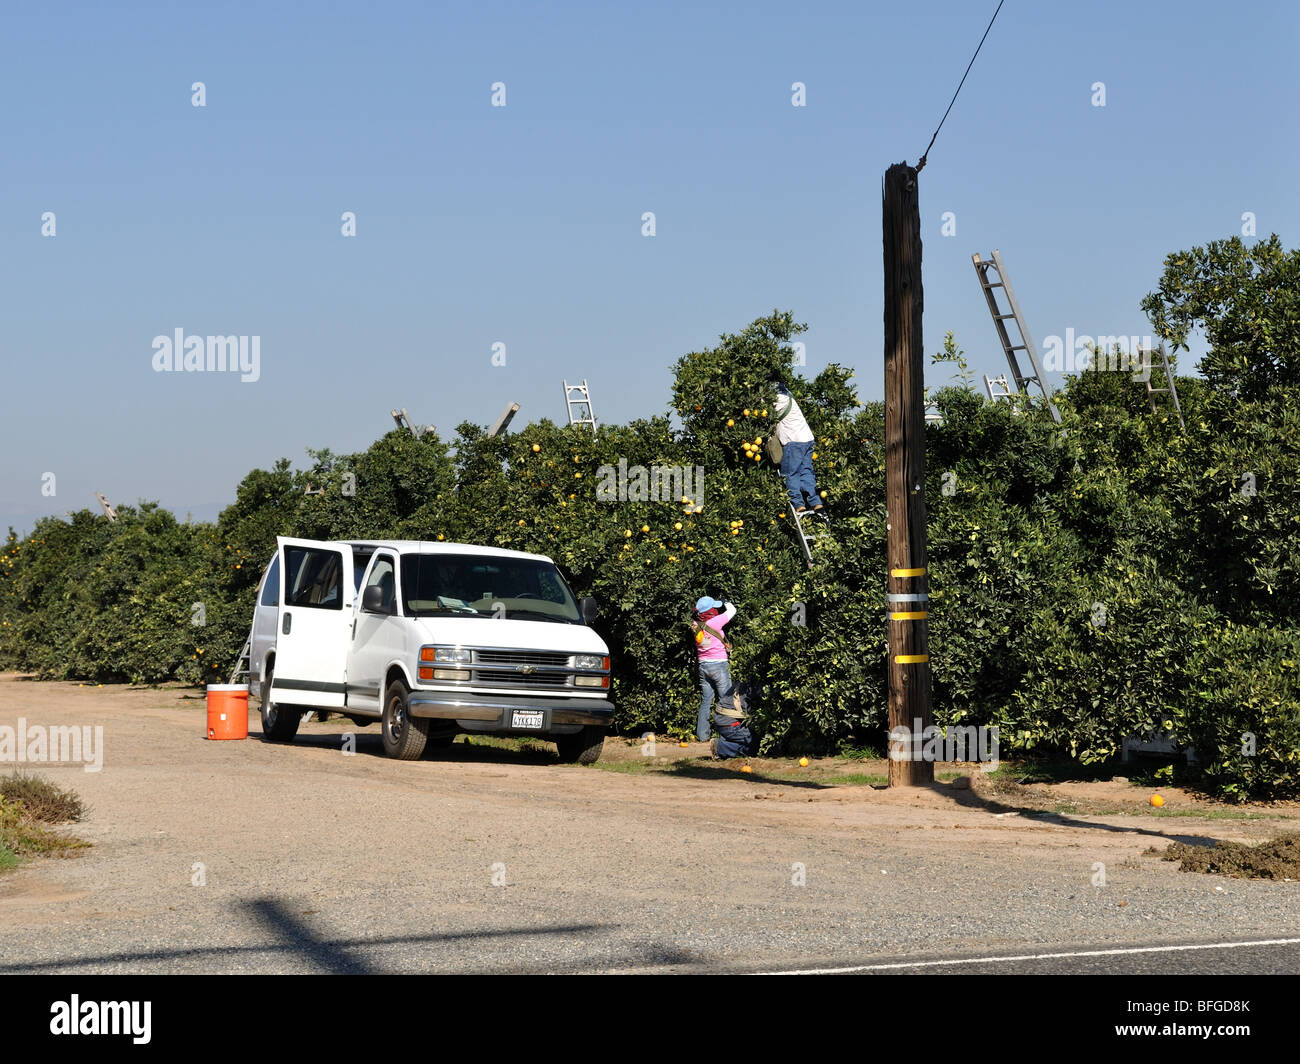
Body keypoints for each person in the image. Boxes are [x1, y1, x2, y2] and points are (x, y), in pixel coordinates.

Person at [772, 381, 823, 516]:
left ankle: (798, 505)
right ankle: (816, 503)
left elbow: (761, 410)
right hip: (807, 439)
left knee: (790, 473)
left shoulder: (778, 399)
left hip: (794, 441)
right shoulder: (789, 397)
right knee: (806, 471)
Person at [691, 596, 736, 743]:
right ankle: (729, 735)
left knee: (706, 701)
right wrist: (726, 602)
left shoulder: (695, 625)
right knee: (726, 701)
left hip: (703, 666)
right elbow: (732, 611)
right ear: (710, 611)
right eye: (715, 607)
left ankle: (703, 735)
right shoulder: (715, 622)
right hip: (719, 666)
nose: (717, 609)